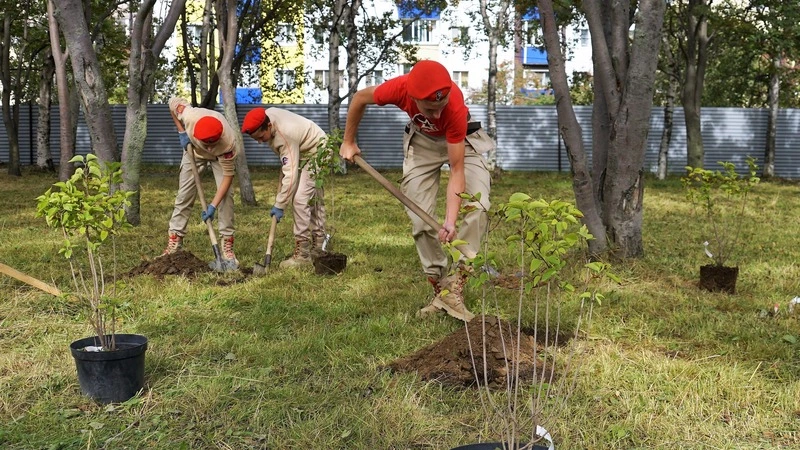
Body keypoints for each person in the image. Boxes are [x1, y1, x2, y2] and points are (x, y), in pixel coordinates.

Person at [339, 60, 493, 322]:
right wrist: (348, 140)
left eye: (439, 108)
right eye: (430, 109)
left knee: (478, 206)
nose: (436, 115)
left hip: (461, 140)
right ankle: (440, 286)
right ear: (412, 97)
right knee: (420, 220)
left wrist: (450, 221)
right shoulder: (398, 88)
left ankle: (457, 284)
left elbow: (457, 170)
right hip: (421, 143)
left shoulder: (452, 105)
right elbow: (359, 98)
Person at [241, 107, 329, 269]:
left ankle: (303, 253)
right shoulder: (267, 117)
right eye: (256, 139)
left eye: (261, 137)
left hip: (319, 151)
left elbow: (291, 176)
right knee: (312, 198)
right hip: (305, 150)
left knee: (300, 198)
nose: (260, 142)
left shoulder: (284, 136)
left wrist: (280, 205)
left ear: (268, 126)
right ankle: (319, 245)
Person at [162, 97, 239, 267]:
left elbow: (228, 177)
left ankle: (227, 244)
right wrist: (182, 132)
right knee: (184, 194)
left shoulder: (228, 144)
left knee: (226, 197)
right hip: (194, 152)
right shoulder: (189, 115)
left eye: (213, 144)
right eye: (207, 144)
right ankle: (175, 239)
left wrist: (212, 205)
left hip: (220, 158)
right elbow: (172, 103)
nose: (209, 148)